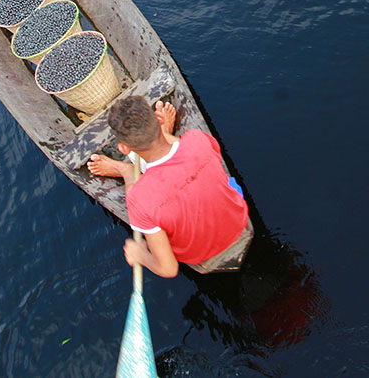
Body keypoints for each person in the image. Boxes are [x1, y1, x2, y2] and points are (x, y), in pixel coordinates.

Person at [88, 97, 249, 278]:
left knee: (142, 203)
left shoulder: (139, 197)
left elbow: (168, 269)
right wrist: (164, 135)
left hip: (198, 254)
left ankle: (125, 170)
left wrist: (141, 255)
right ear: (158, 120)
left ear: (124, 149)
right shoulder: (197, 138)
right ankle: (163, 135)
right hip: (239, 221)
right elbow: (192, 158)